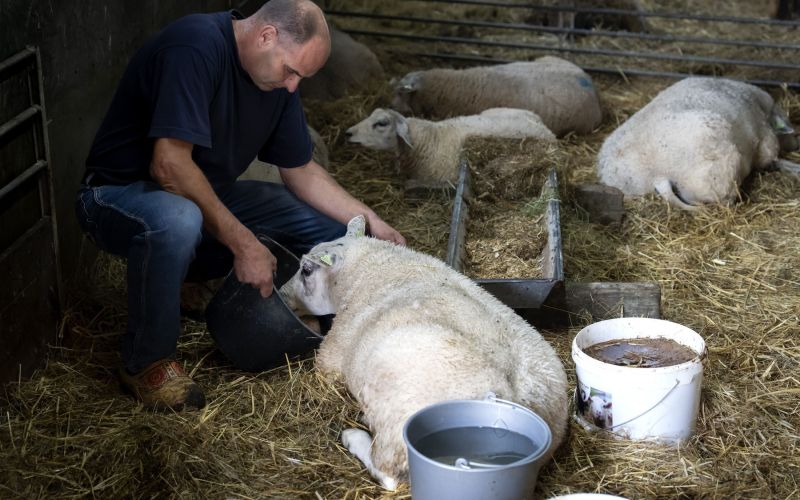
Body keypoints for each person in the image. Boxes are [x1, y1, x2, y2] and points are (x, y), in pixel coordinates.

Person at [75, 0, 405, 411]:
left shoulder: (278, 83)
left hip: (199, 198)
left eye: (301, 77)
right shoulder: (194, 48)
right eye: (291, 71)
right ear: (266, 35)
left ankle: (330, 322)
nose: (293, 86)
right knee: (179, 219)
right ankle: (147, 361)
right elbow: (169, 165)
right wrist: (245, 245)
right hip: (118, 196)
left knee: (332, 229)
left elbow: (301, 170)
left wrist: (368, 219)